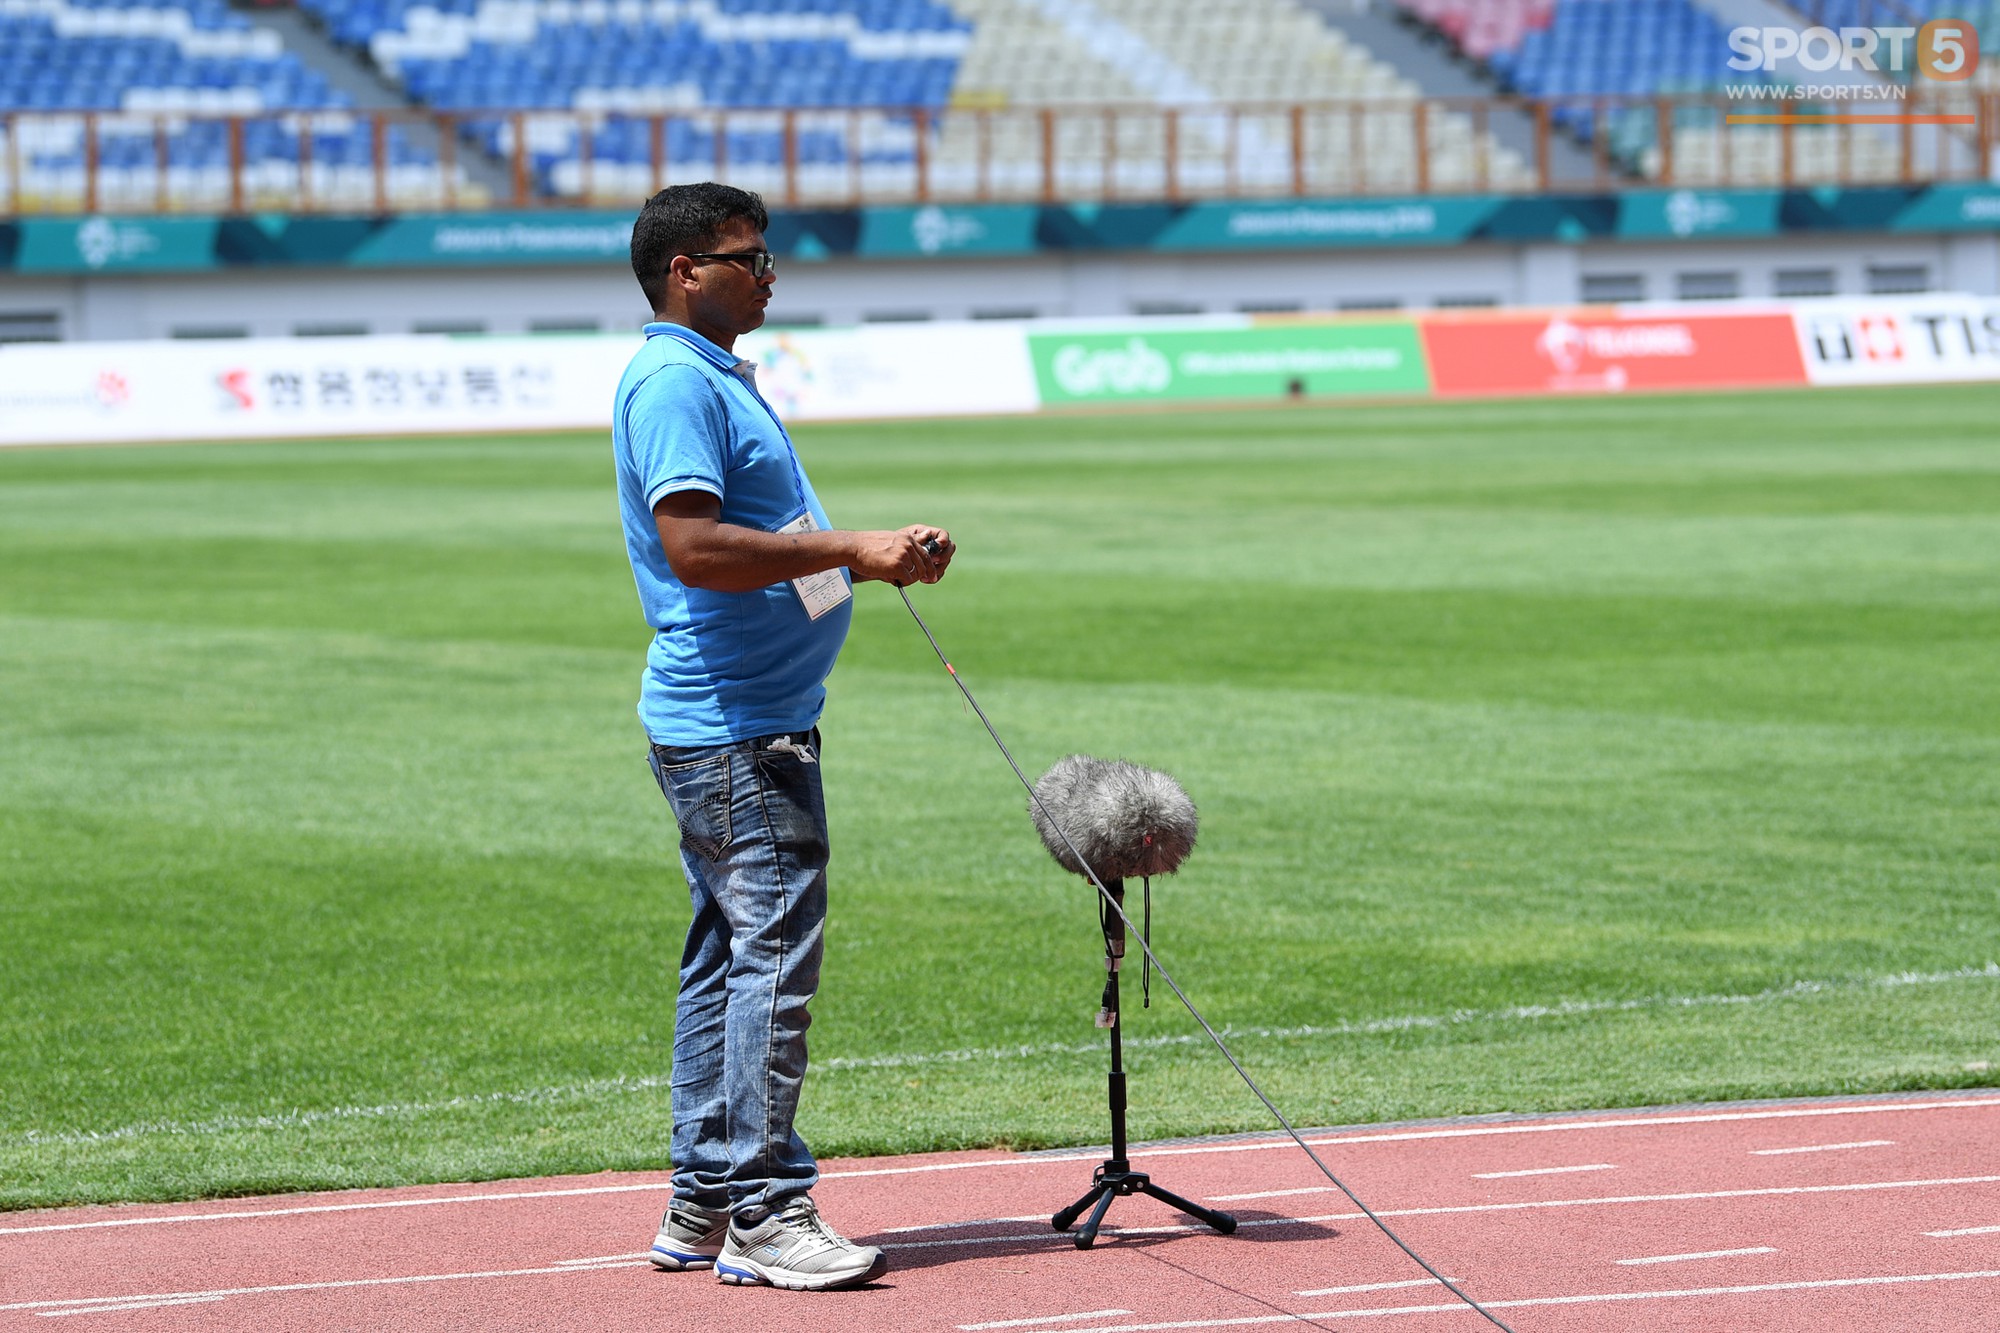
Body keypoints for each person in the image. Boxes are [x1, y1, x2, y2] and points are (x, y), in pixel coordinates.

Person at [611, 182, 953, 1292]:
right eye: (747, 257)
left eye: (766, 257)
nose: (767, 274)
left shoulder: (706, 372)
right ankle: (765, 1206)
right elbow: (695, 548)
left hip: (741, 717)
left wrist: (855, 556)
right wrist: (852, 545)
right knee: (768, 961)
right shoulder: (672, 380)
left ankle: (703, 1198)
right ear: (683, 272)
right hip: (736, 725)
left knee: (723, 958)